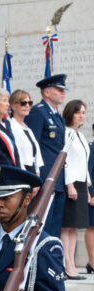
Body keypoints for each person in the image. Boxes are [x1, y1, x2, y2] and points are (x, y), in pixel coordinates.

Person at [26, 74, 68, 237]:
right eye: (59, 90)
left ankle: (50, 257)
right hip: (45, 176)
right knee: (42, 222)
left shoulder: (58, 117)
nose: (63, 93)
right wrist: (34, 177)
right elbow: (33, 146)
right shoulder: (38, 112)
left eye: (63, 90)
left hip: (58, 177)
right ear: (47, 92)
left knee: (55, 224)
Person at [61, 100, 91, 280]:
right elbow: (64, 160)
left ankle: (71, 264)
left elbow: (83, 163)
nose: (82, 116)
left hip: (80, 184)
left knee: (74, 228)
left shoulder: (79, 135)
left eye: (84, 112)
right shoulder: (66, 133)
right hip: (70, 184)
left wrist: (87, 188)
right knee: (66, 227)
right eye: (78, 112)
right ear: (70, 113)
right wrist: (69, 183)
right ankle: (67, 265)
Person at [8, 90, 44, 178]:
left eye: (29, 103)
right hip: (21, 172)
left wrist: (37, 172)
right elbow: (17, 154)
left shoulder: (28, 129)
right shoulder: (11, 127)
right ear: (13, 106)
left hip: (31, 171)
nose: (27, 105)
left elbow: (35, 154)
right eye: (23, 103)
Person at [87, 123, 94, 274]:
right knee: (93, 227)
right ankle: (93, 262)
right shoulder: (92, 148)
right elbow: (87, 172)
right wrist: (91, 193)